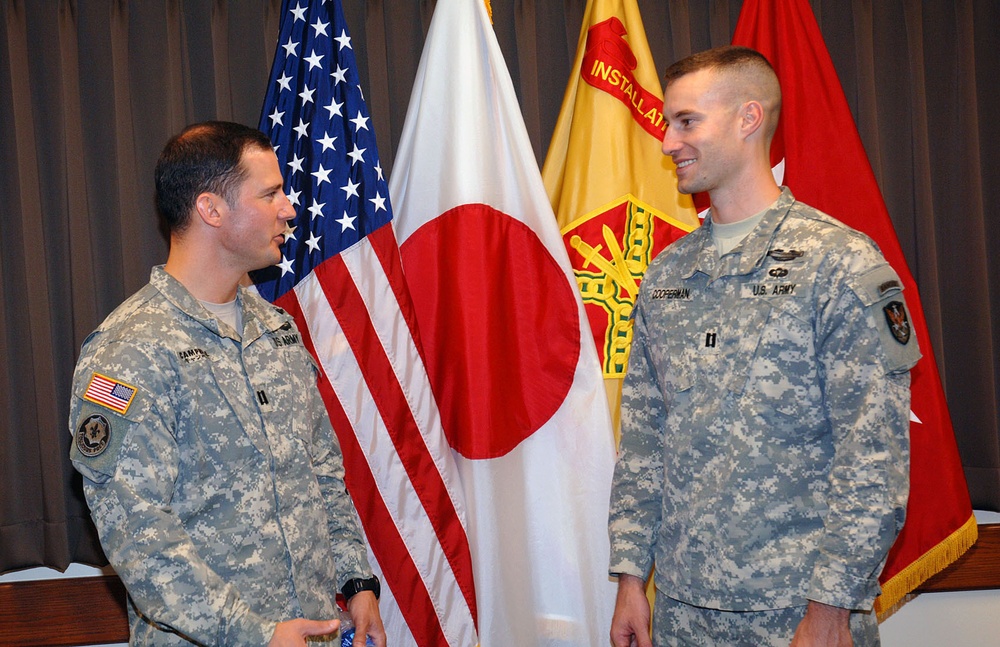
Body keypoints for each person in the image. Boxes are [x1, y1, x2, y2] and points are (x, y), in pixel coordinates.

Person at [608, 46, 919, 646]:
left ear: (749, 119)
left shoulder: (842, 264)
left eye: (687, 122)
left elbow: (873, 458)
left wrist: (831, 609)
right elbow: (645, 439)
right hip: (680, 609)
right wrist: (629, 578)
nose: (668, 141)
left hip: (797, 612)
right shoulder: (667, 274)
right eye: (668, 123)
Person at [69, 121, 386, 647]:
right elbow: (141, 539)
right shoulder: (130, 349)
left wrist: (356, 582)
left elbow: (322, 472)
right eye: (270, 194)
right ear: (211, 210)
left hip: (313, 632)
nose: (289, 208)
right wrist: (256, 635)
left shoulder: (275, 330)